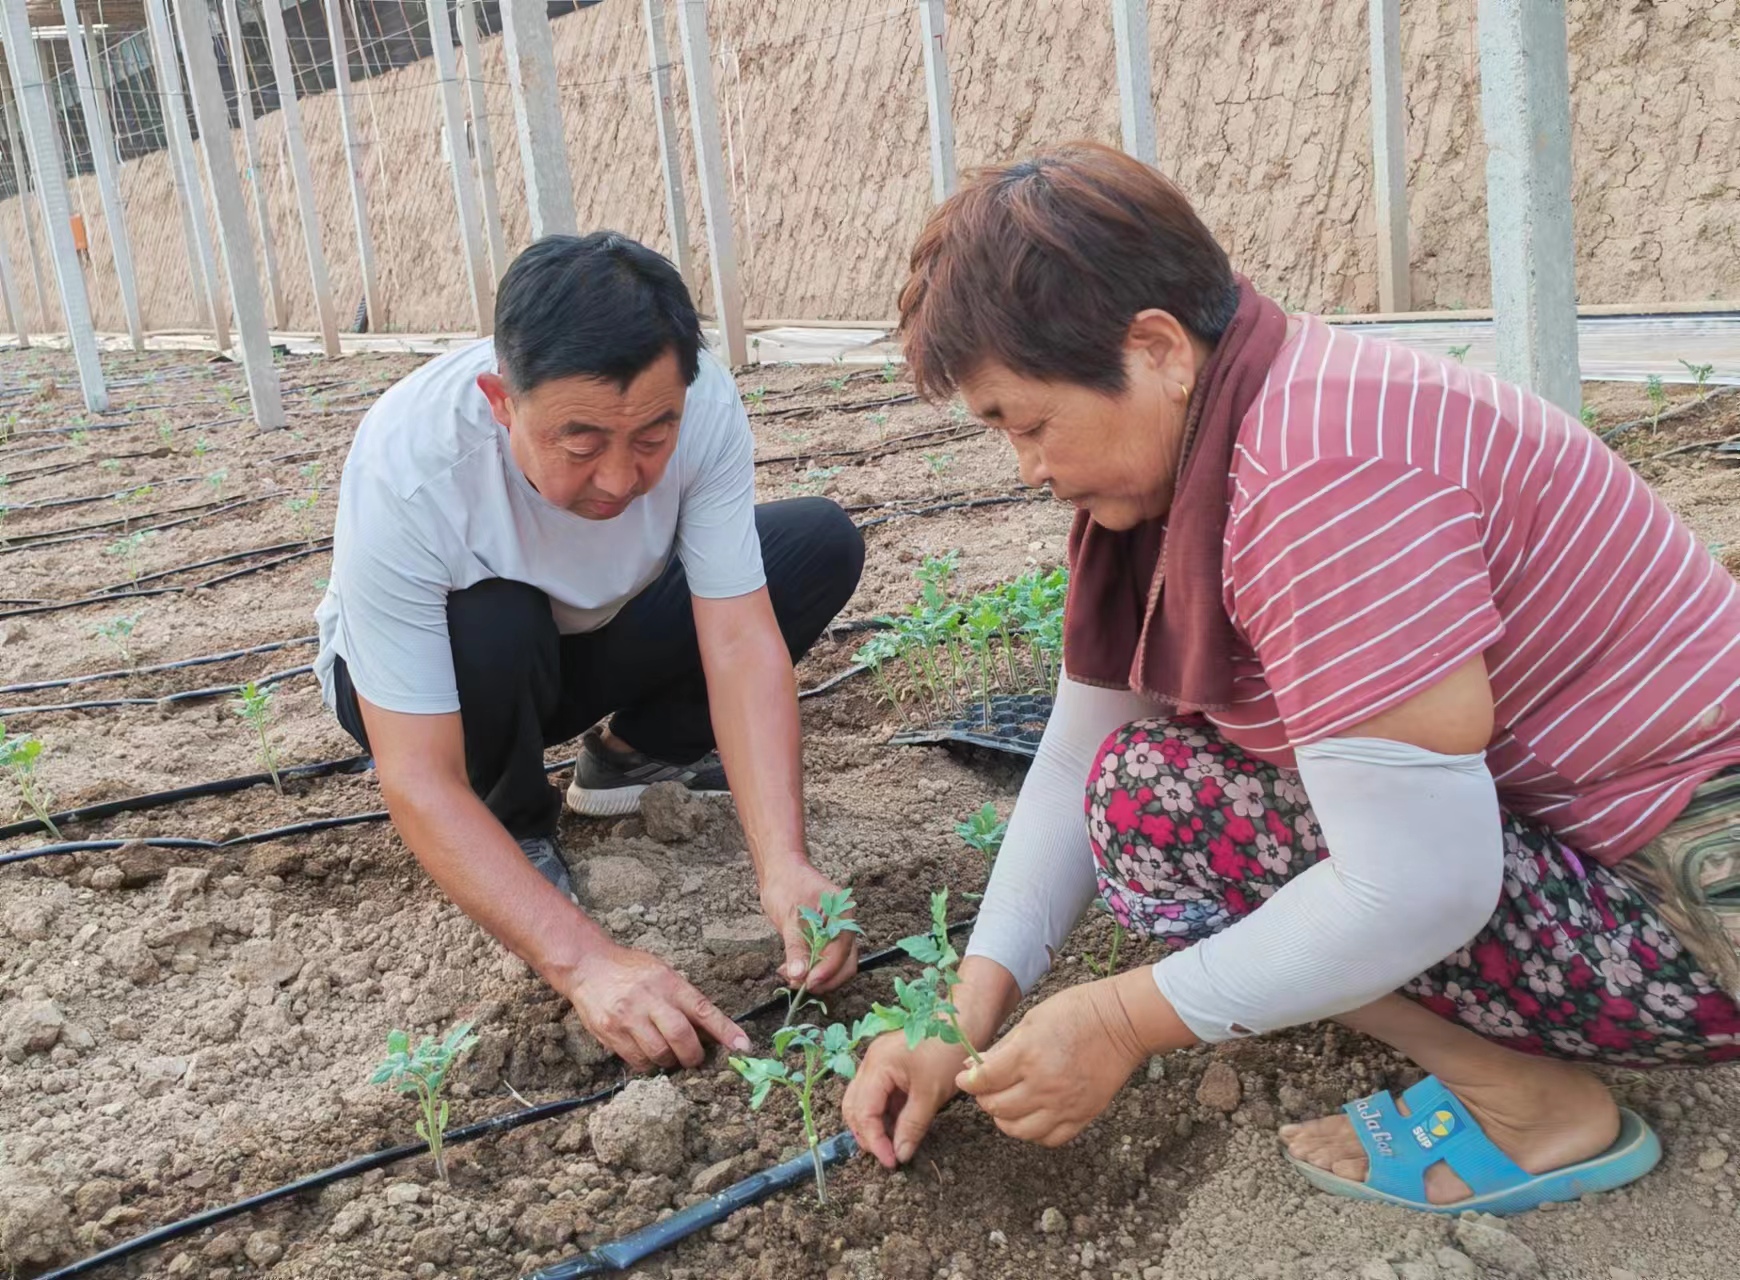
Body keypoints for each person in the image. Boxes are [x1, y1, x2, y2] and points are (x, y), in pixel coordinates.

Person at [842, 142, 1740, 1214]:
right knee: (1137, 782)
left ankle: (1530, 1107)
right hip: (1625, 858)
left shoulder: (1321, 475)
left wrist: (1122, 1019)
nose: (1029, 468)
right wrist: (958, 1014)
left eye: (1030, 424)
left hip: (1697, 915)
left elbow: (1422, 884)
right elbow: (1079, 752)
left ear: (1157, 349)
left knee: (1157, 805)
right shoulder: (1239, 425)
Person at [315, 232, 866, 1073]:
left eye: (651, 439)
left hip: (585, 639)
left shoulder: (700, 405)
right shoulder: (411, 466)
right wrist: (584, 962)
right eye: (580, 445)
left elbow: (738, 639)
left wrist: (784, 864)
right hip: (440, 687)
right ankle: (510, 820)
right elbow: (416, 774)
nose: (618, 480)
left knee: (812, 546)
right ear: (501, 403)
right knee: (495, 617)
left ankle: (629, 757)